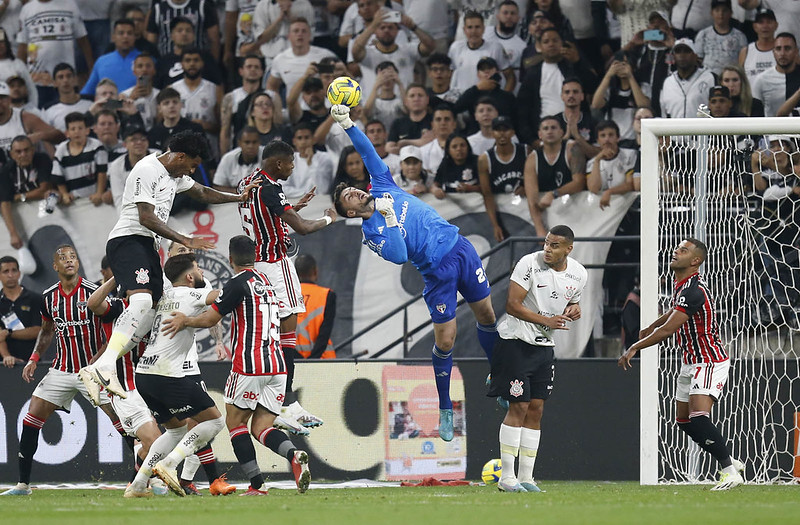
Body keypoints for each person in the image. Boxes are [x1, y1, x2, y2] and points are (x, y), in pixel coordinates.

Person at [330, 103, 498, 442]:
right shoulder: (371, 232)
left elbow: (366, 152)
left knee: (488, 315)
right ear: (350, 210)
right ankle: (445, 407)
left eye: (354, 188)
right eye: (350, 195)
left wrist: (348, 124)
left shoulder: (381, 185)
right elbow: (398, 254)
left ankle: (500, 373)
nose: (357, 191)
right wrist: (390, 219)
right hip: (437, 273)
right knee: (445, 340)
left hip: (461, 249)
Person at [77, 131, 257, 405]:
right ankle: (104, 366)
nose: (192, 170)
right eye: (192, 165)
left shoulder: (175, 175)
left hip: (147, 245)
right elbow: (145, 217)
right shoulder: (146, 170)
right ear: (180, 156)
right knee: (141, 300)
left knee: (152, 310)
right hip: (127, 240)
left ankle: (101, 365)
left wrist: (238, 197)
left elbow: (202, 191)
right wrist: (183, 238)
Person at [161, 236, 312, 496]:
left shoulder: (236, 284)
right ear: (254, 257)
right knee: (261, 428)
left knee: (235, 424)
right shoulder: (267, 282)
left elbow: (210, 318)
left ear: (230, 260)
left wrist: (186, 320)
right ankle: (294, 454)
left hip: (249, 365)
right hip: (277, 365)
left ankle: (257, 485)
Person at [619, 237, 745, 491]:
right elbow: (672, 313)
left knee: (699, 417)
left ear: (696, 260)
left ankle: (729, 471)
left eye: (683, 250)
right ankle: (730, 460)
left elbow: (669, 330)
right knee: (684, 420)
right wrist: (652, 325)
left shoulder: (694, 290)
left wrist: (634, 346)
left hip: (709, 361)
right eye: (677, 248)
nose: (676, 252)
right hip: (690, 362)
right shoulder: (683, 286)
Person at [0, 245, 126, 497]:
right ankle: (23, 485)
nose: (69, 261)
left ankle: (143, 477)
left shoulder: (93, 293)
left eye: (73, 257)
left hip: (92, 371)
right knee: (30, 418)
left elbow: (112, 332)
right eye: (63, 258)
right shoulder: (49, 297)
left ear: (78, 264)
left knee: (124, 420)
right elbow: (46, 331)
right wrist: (34, 358)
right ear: (55, 266)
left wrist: (98, 360)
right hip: (61, 369)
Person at [237, 140, 337, 433]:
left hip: (258, 265)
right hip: (276, 265)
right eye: (291, 163)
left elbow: (262, 216)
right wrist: (328, 218)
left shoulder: (249, 181)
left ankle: (278, 400)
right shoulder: (270, 187)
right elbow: (304, 228)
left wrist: (292, 208)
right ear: (278, 163)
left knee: (271, 335)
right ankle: (286, 402)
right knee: (287, 334)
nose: (293, 168)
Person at [487, 224, 586, 492]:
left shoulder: (579, 274)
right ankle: (507, 478)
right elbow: (512, 306)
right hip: (515, 342)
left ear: (569, 249)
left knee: (536, 409)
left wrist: (574, 309)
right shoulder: (528, 264)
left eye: (555, 246)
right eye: (546, 243)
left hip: (544, 347)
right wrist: (547, 320)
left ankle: (527, 477)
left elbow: (571, 302)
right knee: (518, 406)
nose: (548, 249)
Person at [123, 253, 227, 498]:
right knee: (214, 421)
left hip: (145, 374)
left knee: (175, 431)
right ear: (190, 276)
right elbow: (223, 297)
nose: (202, 272)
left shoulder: (165, 296)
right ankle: (170, 464)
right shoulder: (192, 293)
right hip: (167, 373)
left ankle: (138, 484)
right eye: (198, 268)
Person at [523, 116, 587, 237]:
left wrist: (554, 194)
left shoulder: (572, 149)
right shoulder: (532, 158)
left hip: (575, 209)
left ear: (561, 132)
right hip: (549, 213)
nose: (550, 131)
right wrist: (539, 229)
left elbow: (579, 183)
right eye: (545, 128)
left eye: (553, 128)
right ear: (540, 134)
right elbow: (532, 199)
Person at [478, 116, 527, 242]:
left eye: (505, 129)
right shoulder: (484, 159)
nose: (501, 133)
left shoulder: (526, 151)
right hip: (502, 212)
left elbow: (537, 182)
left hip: (526, 208)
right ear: (492, 133)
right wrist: (495, 225)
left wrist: (526, 187)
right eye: (497, 130)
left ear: (512, 132)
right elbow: (487, 195)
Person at [0, 135, 52, 248]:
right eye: (18, 152)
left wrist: (19, 197)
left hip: (46, 213)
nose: (23, 155)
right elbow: (4, 203)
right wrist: (13, 234)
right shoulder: (6, 171)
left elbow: (44, 190)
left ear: (33, 149)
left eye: (26, 150)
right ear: (11, 154)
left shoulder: (42, 159)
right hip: (23, 220)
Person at [51, 111, 107, 207]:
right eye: (73, 129)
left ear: (87, 130)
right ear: (67, 133)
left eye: (80, 128)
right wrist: (64, 194)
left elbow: (102, 172)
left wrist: (99, 193)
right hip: (74, 201)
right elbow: (58, 178)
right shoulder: (61, 151)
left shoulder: (96, 146)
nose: (77, 132)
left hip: (95, 199)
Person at [0, 255, 41, 365]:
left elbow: (38, 330)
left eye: (14, 270)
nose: (10, 275)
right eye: (5, 271)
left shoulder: (35, 298)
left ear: (19, 273)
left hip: (32, 362)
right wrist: (7, 356)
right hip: (4, 364)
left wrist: (8, 333)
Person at [294, 254, 336, 359]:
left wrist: (299, 359)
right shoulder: (327, 295)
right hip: (323, 362)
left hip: (292, 361)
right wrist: (313, 361)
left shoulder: (285, 295)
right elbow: (324, 334)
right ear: (315, 271)